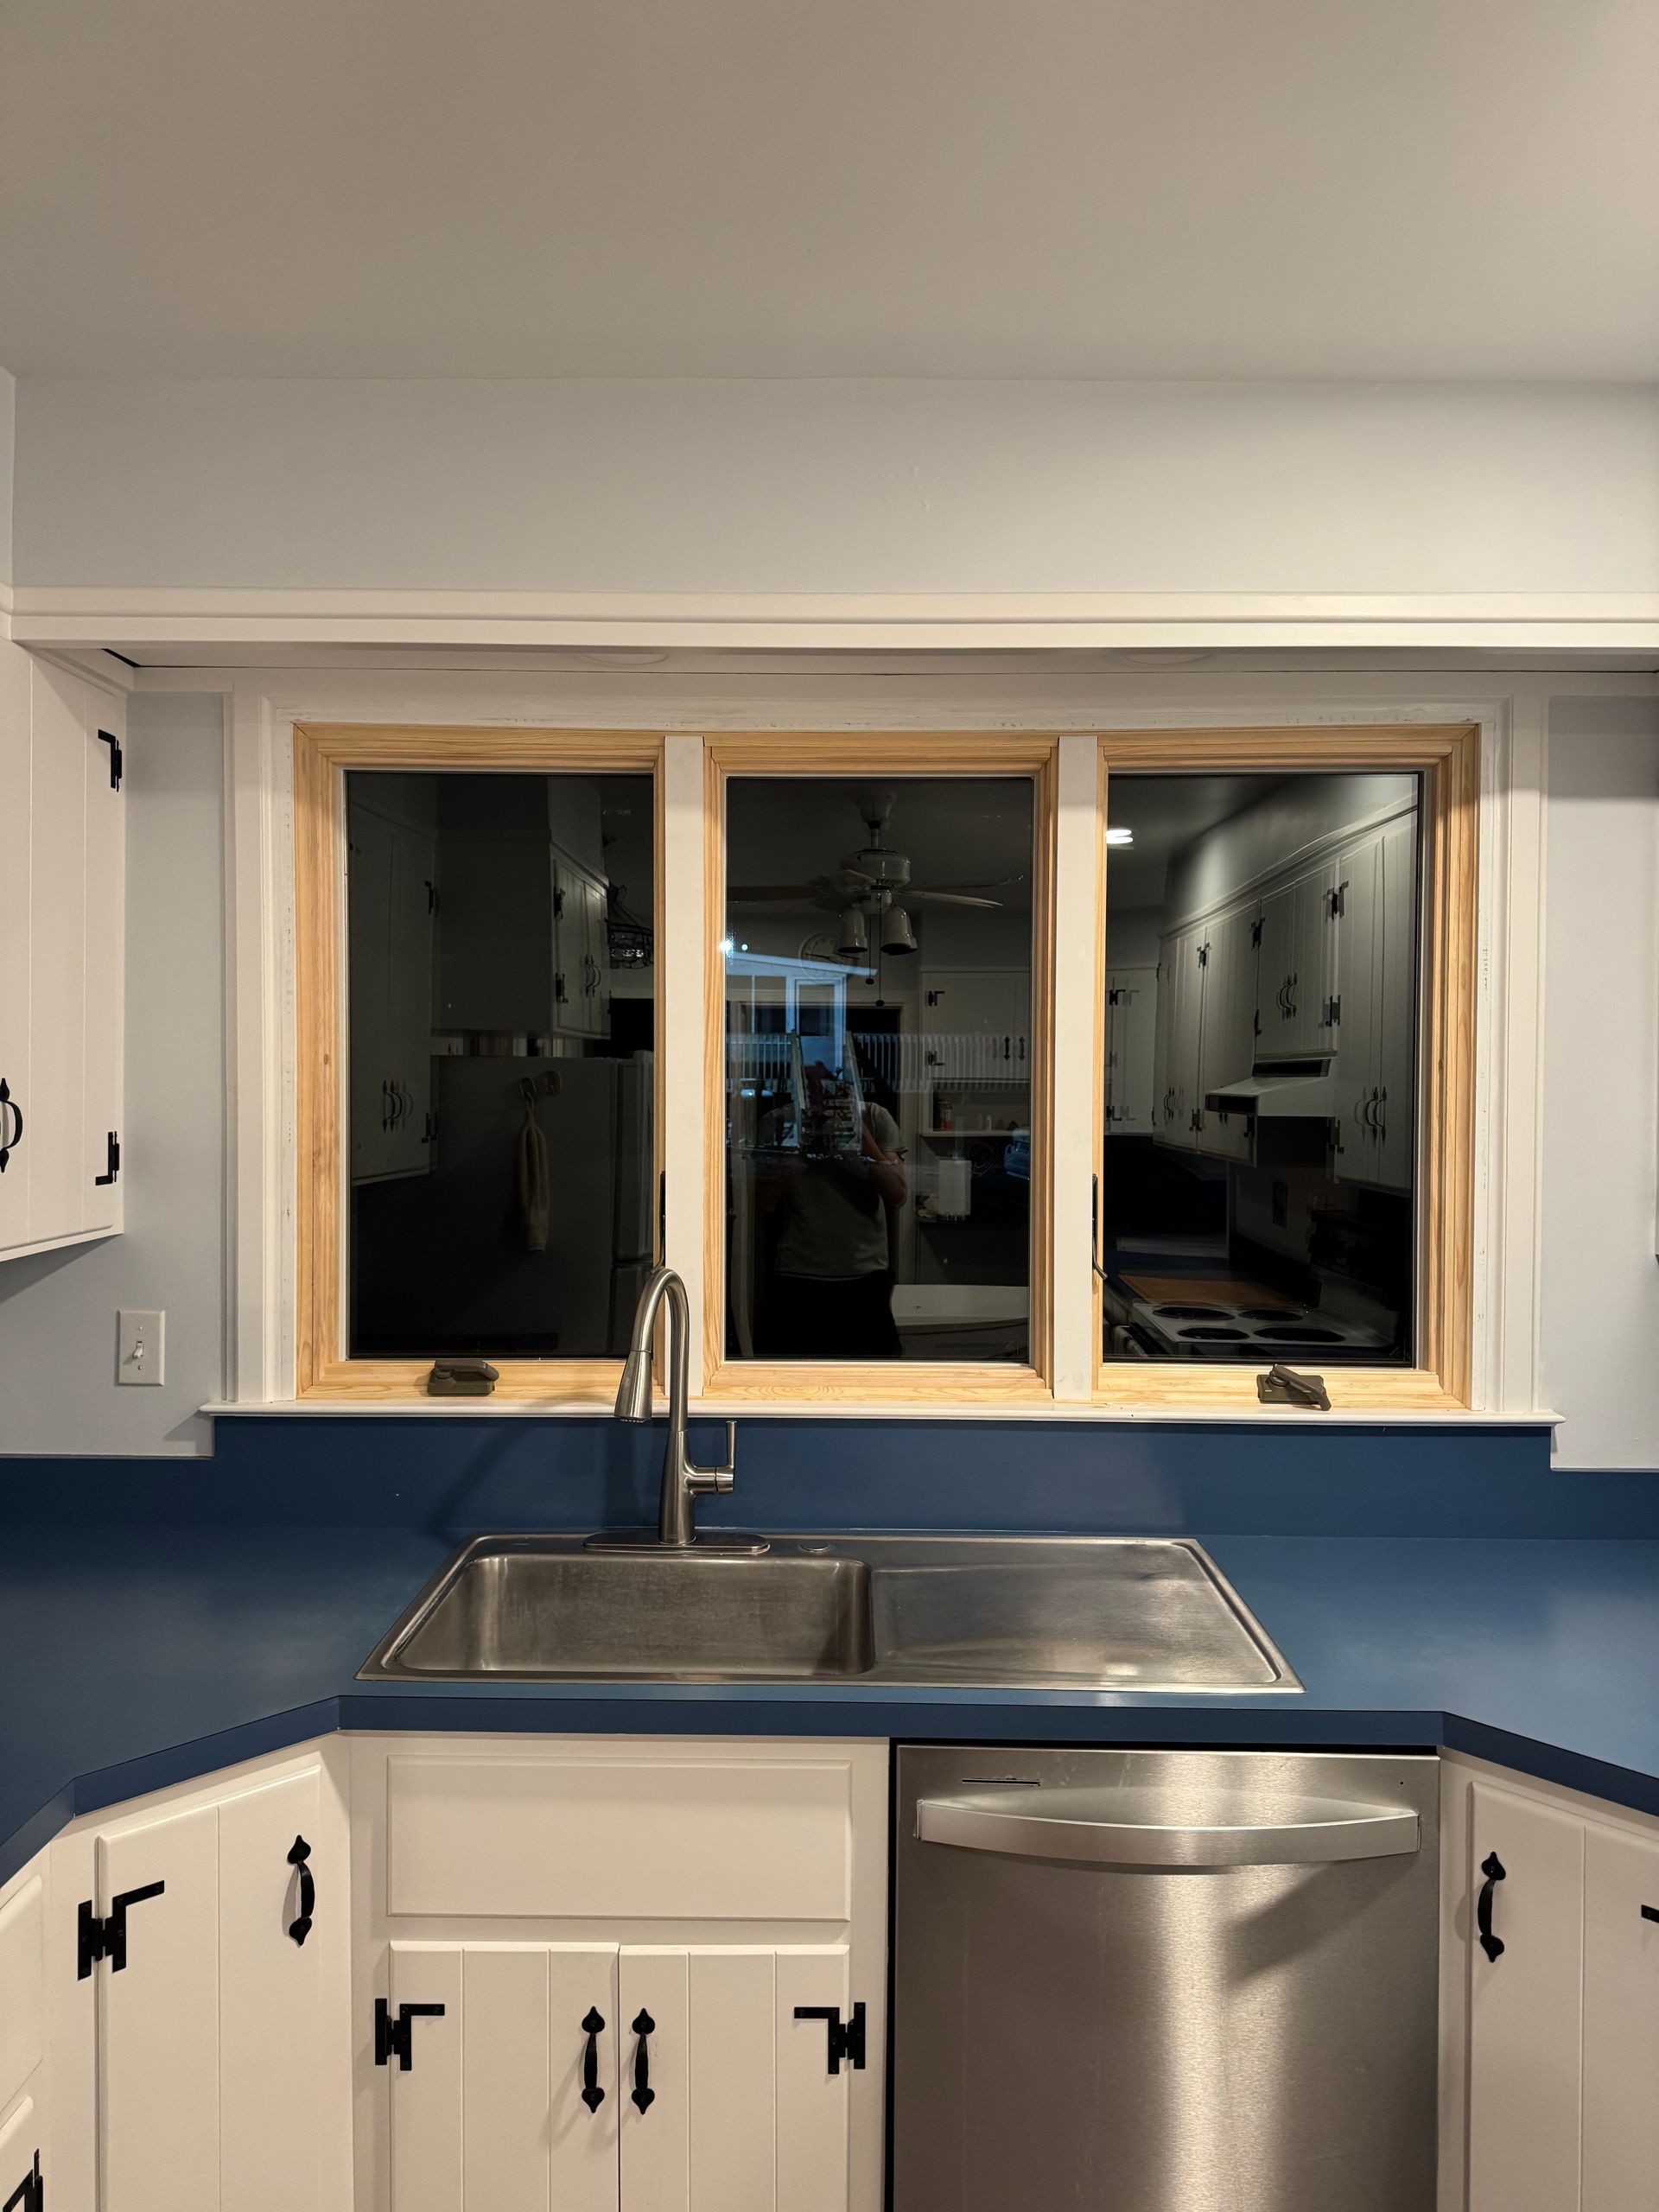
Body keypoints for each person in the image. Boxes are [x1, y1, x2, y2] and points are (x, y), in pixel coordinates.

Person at [757, 1091, 908, 1357]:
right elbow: (767, 1201)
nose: (822, 1085)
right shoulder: (780, 1120)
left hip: (865, 1277)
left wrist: (859, 1132)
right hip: (800, 1276)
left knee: (873, 1379)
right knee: (796, 1383)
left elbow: (897, 1194)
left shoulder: (873, 1116)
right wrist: (797, 1139)